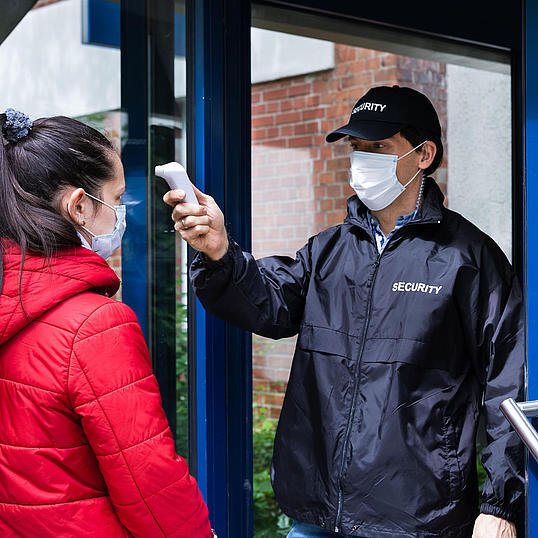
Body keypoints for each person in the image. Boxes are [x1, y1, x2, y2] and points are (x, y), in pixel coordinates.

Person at [164, 85, 524, 538]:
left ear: (423, 155)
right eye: (357, 148)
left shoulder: (469, 258)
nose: (362, 161)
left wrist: (501, 505)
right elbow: (267, 305)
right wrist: (219, 252)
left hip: (418, 519)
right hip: (317, 515)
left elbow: (510, 386)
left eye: (378, 148)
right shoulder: (328, 250)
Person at [0, 109, 213, 537]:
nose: (121, 214)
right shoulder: (94, 326)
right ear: (79, 206)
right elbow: (149, 480)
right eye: (116, 200)